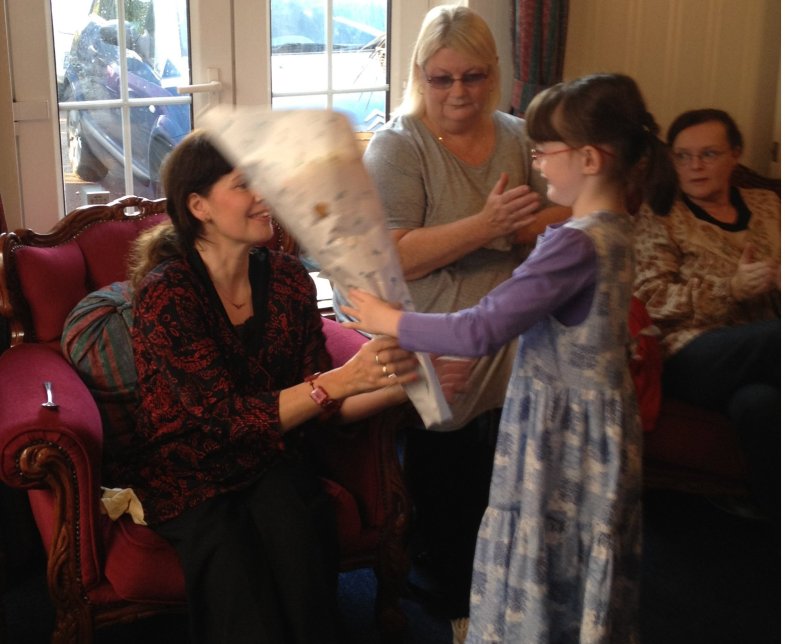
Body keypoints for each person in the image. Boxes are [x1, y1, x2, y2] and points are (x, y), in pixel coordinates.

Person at [341, 73, 677, 642]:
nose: (537, 161)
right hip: (597, 428)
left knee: (545, 545)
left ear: (591, 158)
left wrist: (384, 318)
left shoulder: (573, 242)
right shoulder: (615, 227)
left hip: (560, 435)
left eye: (544, 151)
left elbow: (480, 328)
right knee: (578, 550)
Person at [121, 129, 420, 644]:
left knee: (299, 537)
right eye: (245, 184)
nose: (266, 196)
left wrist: (404, 384)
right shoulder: (166, 295)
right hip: (191, 472)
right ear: (200, 207)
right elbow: (217, 421)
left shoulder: (286, 278)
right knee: (233, 570)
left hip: (271, 457)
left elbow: (319, 403)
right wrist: (338, 381)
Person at [347, 6, 569, 631]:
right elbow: (392, 253)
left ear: (493, 72)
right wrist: (490, 227)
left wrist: (517, 230)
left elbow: (566, 215)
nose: (459, 93)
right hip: (435, 328)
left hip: (514, 324)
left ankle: (513, 582)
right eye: (442, 79)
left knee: (518, 474)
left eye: (472, 77)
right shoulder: (399, 144)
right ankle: (450, 596)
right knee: (453, 483)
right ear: (420, 73)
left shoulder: (517, 134)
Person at [634, 108, 780, 517]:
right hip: (692, 353)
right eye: (682, 156)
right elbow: (651, 301)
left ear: (735, 154)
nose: (694, 166)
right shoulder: (660, 214)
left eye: (709, 154)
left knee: (760, 405)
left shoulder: (770, 205)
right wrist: (730, 289)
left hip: (762, 351)